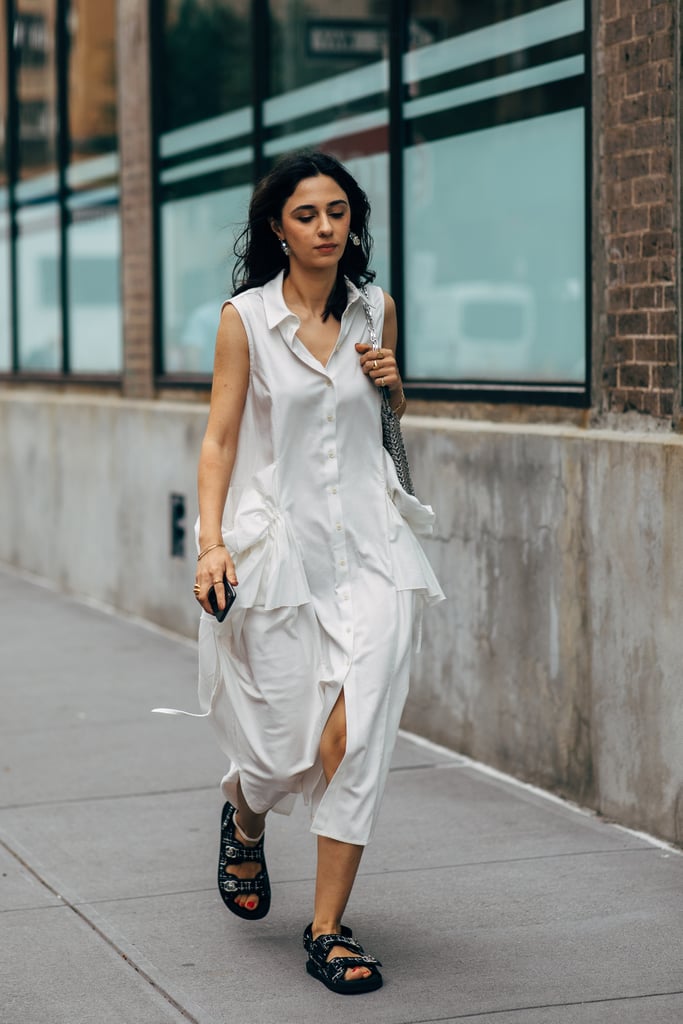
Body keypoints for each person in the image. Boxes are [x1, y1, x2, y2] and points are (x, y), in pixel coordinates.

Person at [192, 149, 444, 994]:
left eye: (338, 212)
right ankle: (245, 814)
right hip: (280, 560)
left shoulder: (376, 310)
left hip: (373, 554)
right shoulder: (246, 319)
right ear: (277, 227)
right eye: (308, 214)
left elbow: (382, 424)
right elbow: (220, 439)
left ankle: (328, 928)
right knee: (275, 751)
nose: (327, 227)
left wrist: (394, 388)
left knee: (353, 740)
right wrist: (211, 543)